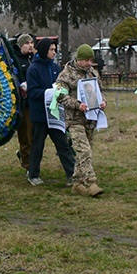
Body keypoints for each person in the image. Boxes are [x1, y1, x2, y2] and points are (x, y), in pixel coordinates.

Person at [56, 45, 107, 197]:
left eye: (91, 60)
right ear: (78, 59)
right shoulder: (66, 75)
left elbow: (101, 90)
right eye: (86, 60)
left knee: (85, 152)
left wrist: (102, 101)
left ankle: (77, 183)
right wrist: (77, 105)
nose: (89, 63)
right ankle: (91, 182)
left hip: (90, 119)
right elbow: (60, 95)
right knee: (83, 150)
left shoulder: (92, 73)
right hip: (74, 120)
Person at [25, 38, 75, 186]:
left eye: (55, 50)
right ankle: (33, 174)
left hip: (54, 115)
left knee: (63, 144)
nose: (54, 52)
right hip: (40, 115)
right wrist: (49, 93)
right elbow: (32, 92)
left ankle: (72, 174)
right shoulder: (33, 69)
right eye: (51, 50)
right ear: (44, 50)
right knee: (37, 145)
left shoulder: (55, 68)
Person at [12, 33, 36, 171]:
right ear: (21, 45)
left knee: (35, 133)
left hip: (35, 102)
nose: (30, 45)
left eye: (32, 42)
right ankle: (27, 163)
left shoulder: (34, 59)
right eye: (27, 43)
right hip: (23, 104)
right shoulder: (15, 60)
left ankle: (27, 156)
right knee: (25, 134)